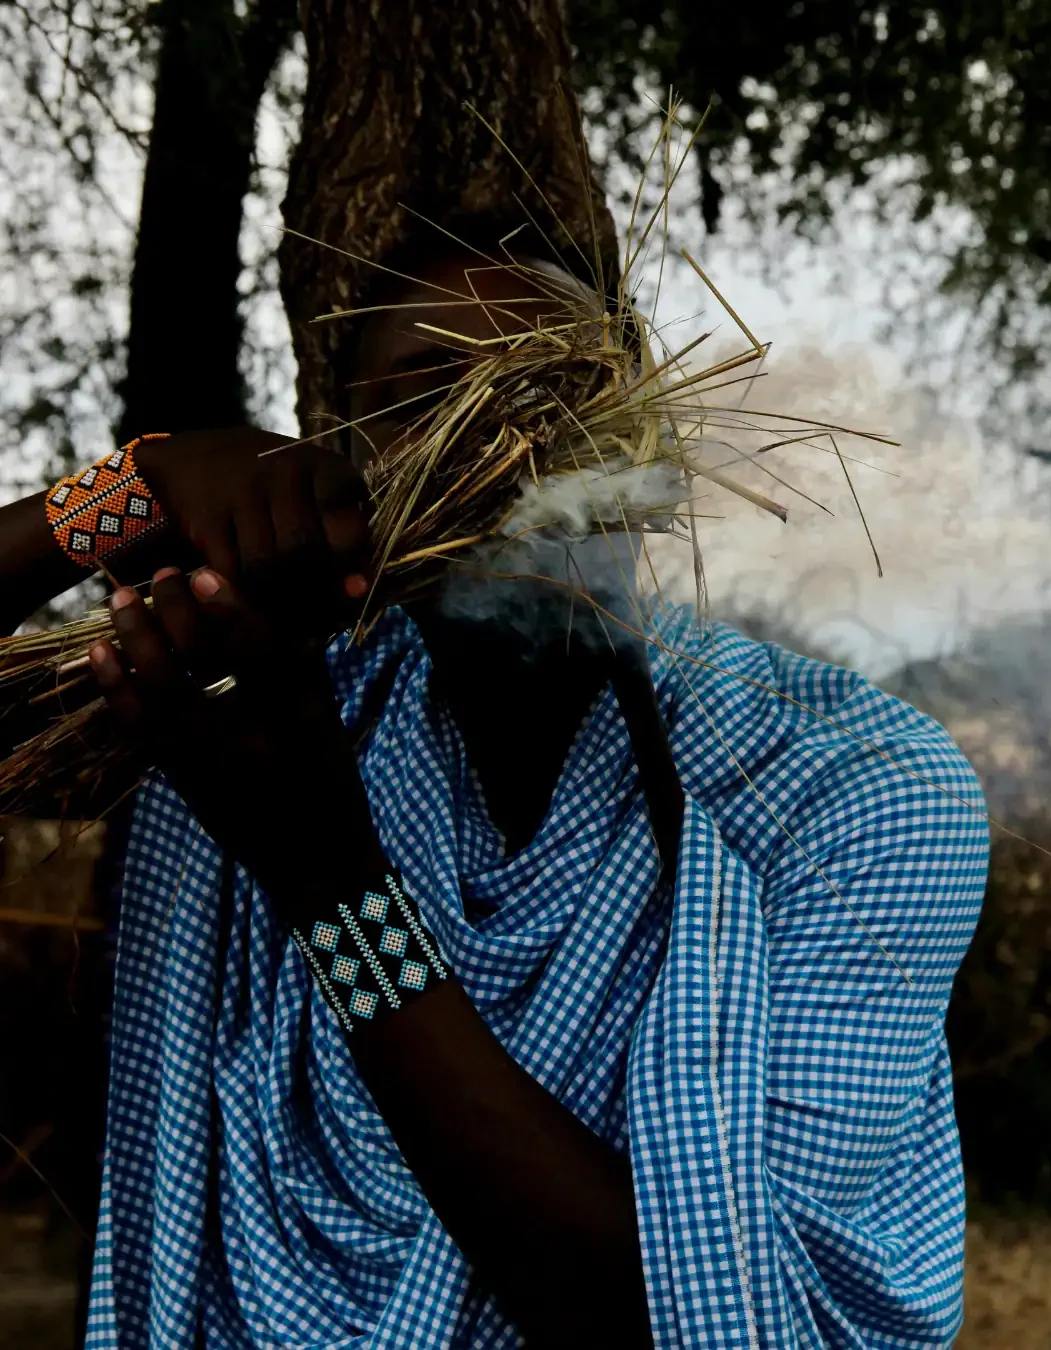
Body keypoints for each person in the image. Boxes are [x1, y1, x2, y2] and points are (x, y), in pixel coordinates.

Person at [0, 238, 989, 1350]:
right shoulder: (256, 700)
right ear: (340, 465)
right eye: (422, 397)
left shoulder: (845, 782)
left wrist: (329, 885)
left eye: (549, 394)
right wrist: (127, 488)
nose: (500, 441)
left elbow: (699, 1319)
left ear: (647, 448)